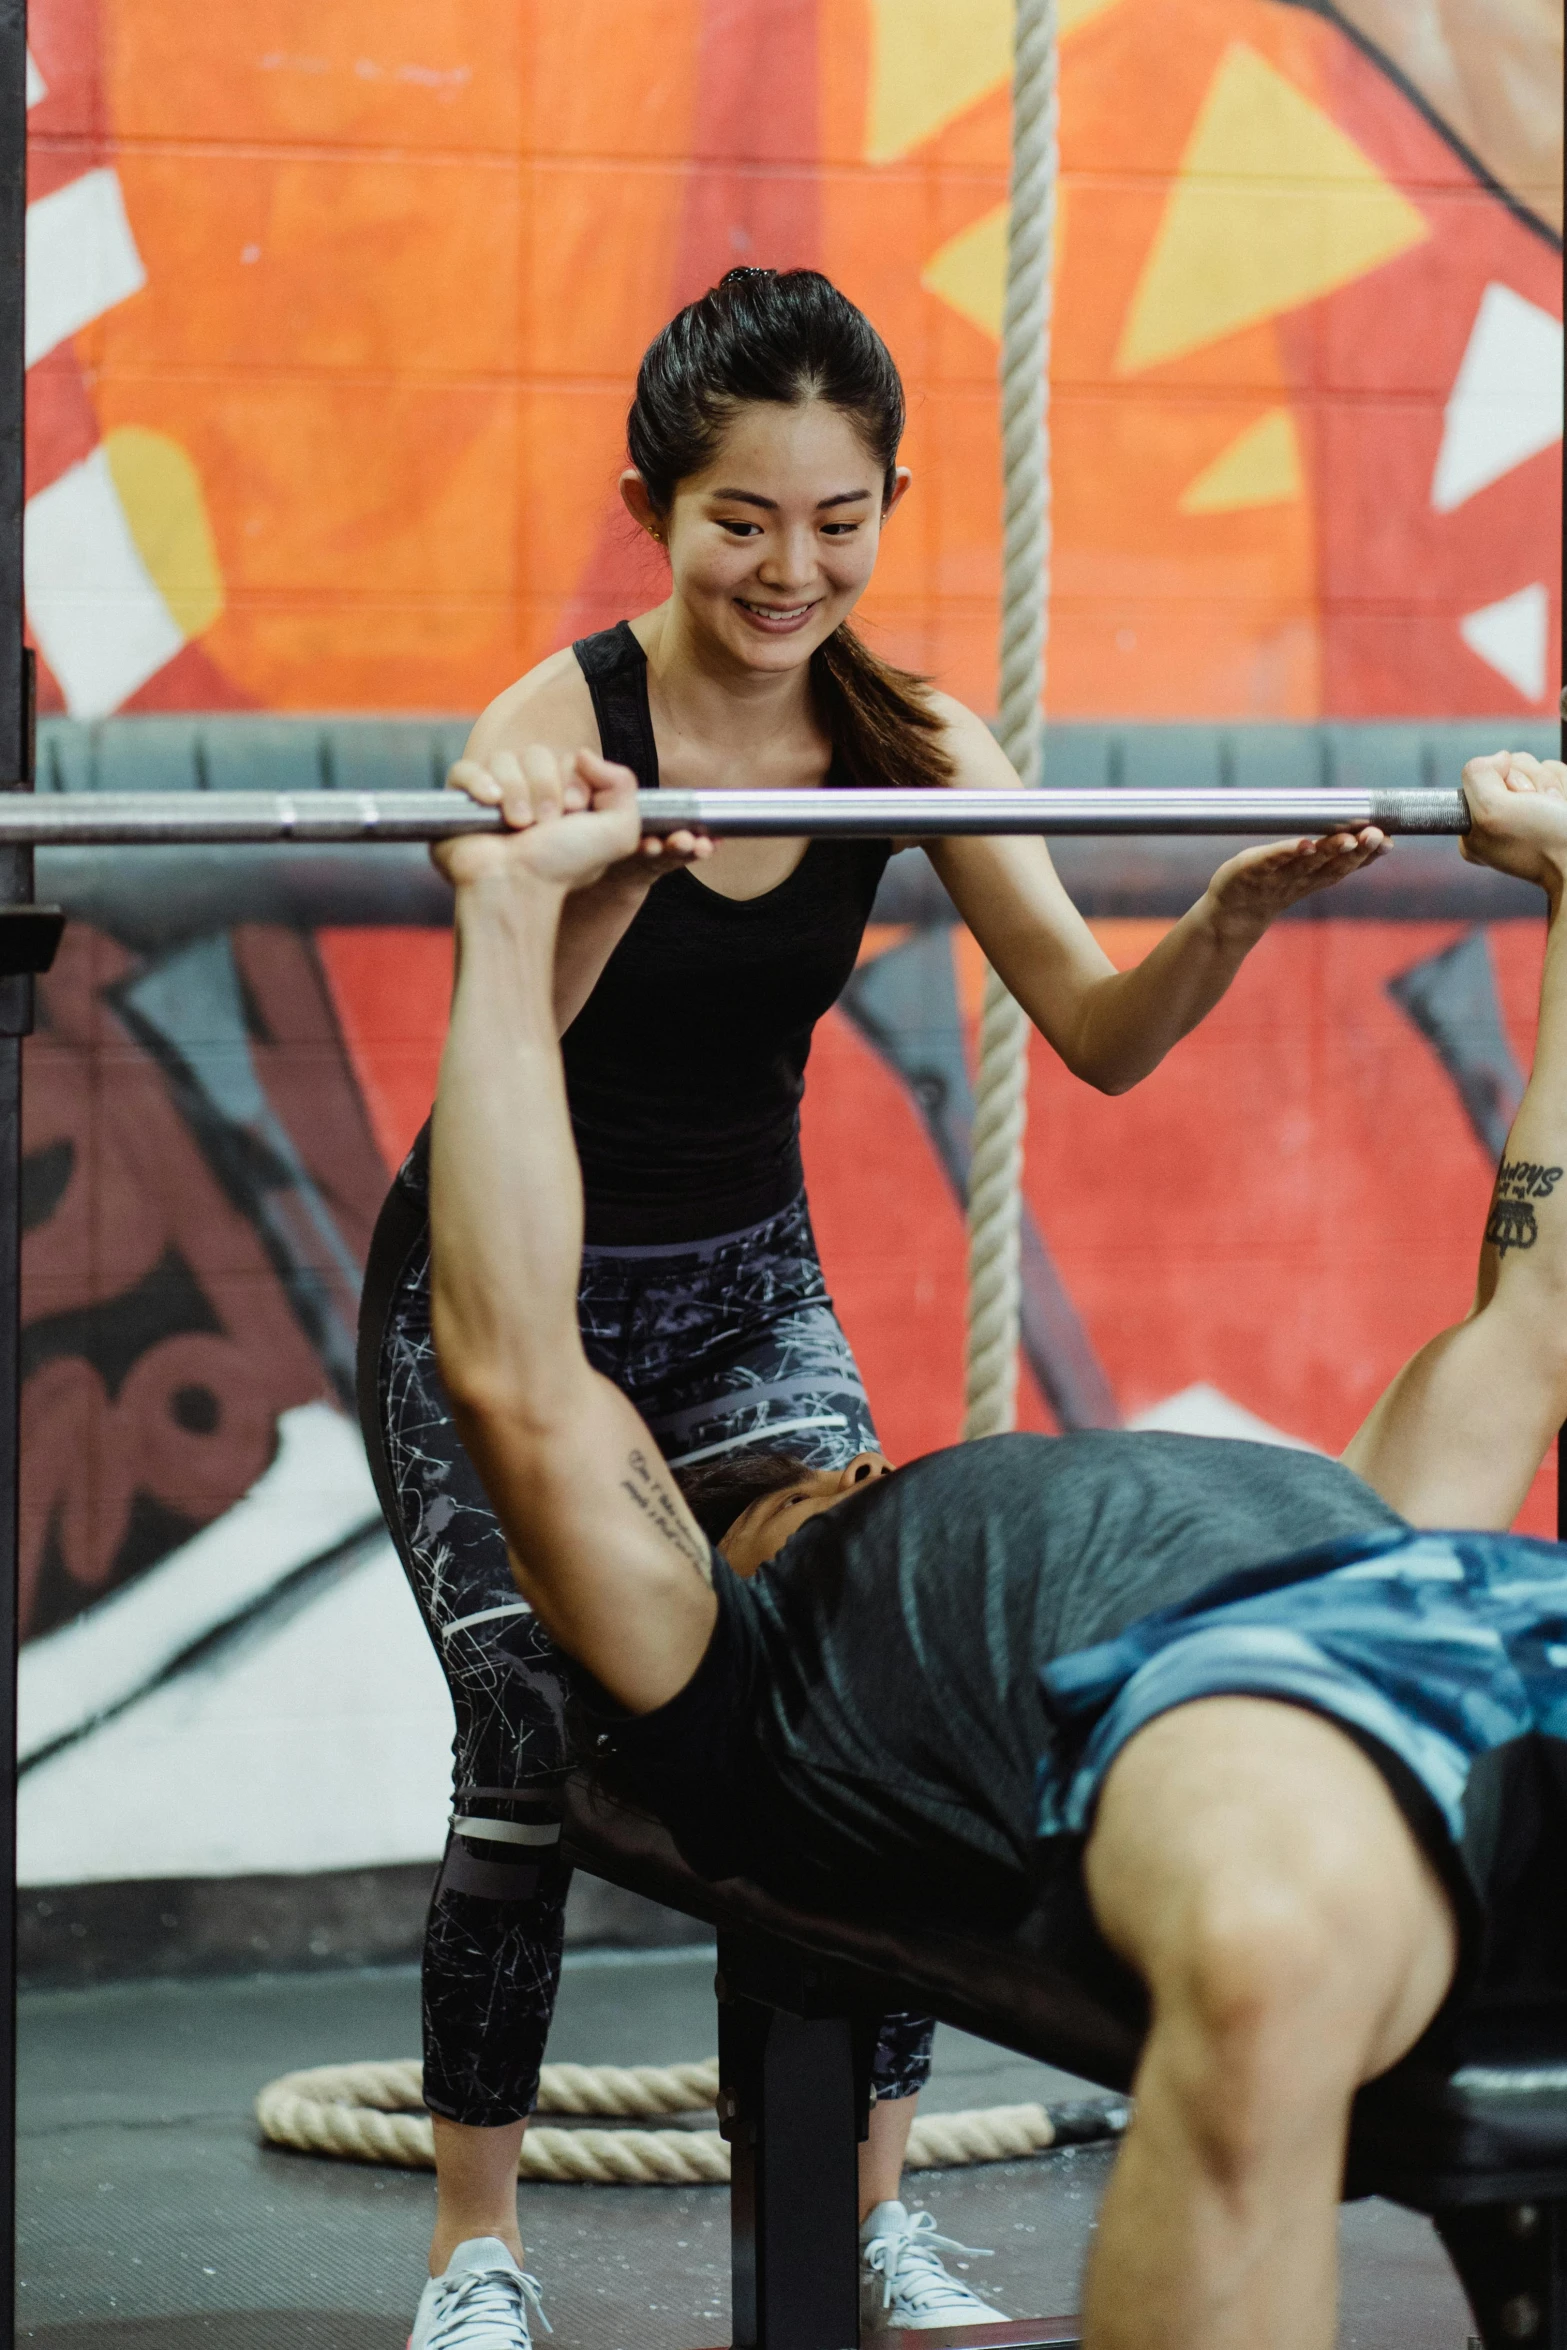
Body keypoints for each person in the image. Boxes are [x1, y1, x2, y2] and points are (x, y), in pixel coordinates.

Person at [361, 265, 1387, 2346]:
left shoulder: (908, 742)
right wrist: (590, 883)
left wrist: (1226, 910)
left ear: (891, 504)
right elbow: (512, 1062)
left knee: (859, 1679)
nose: (790, 567)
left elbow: (1096, 1032)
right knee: (532, 1729)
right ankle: (477, 2249)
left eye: (840, 521)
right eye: (745, 518)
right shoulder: (549, 738)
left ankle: (872, 2206)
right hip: (512, 1277)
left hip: (745, 1287)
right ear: (658, 502)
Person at [423, 746, 1567, 2350]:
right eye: (785, 1484)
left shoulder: (1337, 1511)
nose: (846, 1460)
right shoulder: (731, 1664)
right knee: (1266, 1955)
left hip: (1481, 1631)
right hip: (1235, 1721)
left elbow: (1533, 1317)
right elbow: (512, 1369)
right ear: (699, 1545)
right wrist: (506, 913)